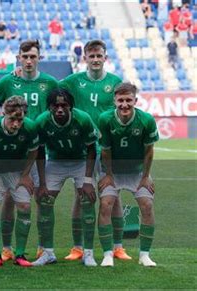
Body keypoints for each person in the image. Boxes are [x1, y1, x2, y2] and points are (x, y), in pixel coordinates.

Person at [59, 39, 129, 262]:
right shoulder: (72, 81)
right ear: (85, 58)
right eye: (92, 56)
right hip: (82, 149)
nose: (96, 60)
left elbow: (124, 111)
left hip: (109, 149)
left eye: (100, 56)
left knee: (113, 196)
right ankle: (77, 247)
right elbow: (50, 91)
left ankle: (118, 247)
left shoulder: (116, 82)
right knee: (82, 197)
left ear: (105, 58)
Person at [0, 39, 59, 262]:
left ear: (39, 58)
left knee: (42, 197)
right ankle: (7, 248)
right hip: (13, 152)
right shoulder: (9, 80)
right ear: (18, 58)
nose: (29, 61)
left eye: (33, 57)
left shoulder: (50, 83)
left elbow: (60, 107)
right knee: (10, 198)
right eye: (25, 56)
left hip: (38, 150)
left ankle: (43, 247)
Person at [32, 88, 99, 267]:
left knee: (87, 200)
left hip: (81, 161)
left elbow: (92, 149)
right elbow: (39, 152)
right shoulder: (42, 122)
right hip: (55, 162)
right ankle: (47, 253)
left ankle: (88, 253)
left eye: (64, 105)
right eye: (56, 105)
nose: (60, 109)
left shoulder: (83, 119)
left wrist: (87, 181)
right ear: (49, 107)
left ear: (71, 106)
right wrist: (42, 183)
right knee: (44, 201)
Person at [97, 82, 159, 267]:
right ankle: (108, 254)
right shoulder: (105, 119)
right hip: (112, 171)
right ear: (114, 101)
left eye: (128, 100)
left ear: (135, 100)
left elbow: (149, 151)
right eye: (120, 100)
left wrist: (146, 176)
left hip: (136, 171)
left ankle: (144, 255)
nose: (124, 104)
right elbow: (105, 151)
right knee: (106, 204)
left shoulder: (146, 120)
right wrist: (107, 175)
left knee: (147, 205)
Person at [0, 96, 39, 268]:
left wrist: (26, 175)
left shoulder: (30, 127)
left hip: (18, 172)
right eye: (12, 119)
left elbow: (34, 151)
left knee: (25, 207)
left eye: (20, 119)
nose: (16, 124)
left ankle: (20, 254)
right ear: (4, 113)